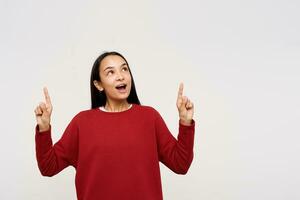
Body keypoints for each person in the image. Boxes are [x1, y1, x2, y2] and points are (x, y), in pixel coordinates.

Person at [34, 51, 195, 200]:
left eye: (124, 69)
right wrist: (44, 128)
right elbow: (48, 167)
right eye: (111, 72)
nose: (120, 76)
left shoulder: (149, 117)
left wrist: (185, 122)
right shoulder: (81, 123)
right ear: (98, 85)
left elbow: (180, 164)